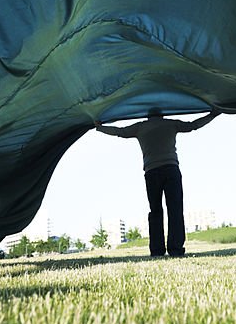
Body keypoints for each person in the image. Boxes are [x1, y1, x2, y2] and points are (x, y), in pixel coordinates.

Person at [94, 108, 220, 257]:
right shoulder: (170, 124)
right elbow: (193, 125)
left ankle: (157, 250)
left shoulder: (140, 127)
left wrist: (100, 128)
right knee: (175, 210)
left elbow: (118, 131)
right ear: (163, 111)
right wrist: (213, 114)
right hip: (171, 169)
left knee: (155, 212)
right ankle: (175, 249)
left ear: (147, 113)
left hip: (151, 172)